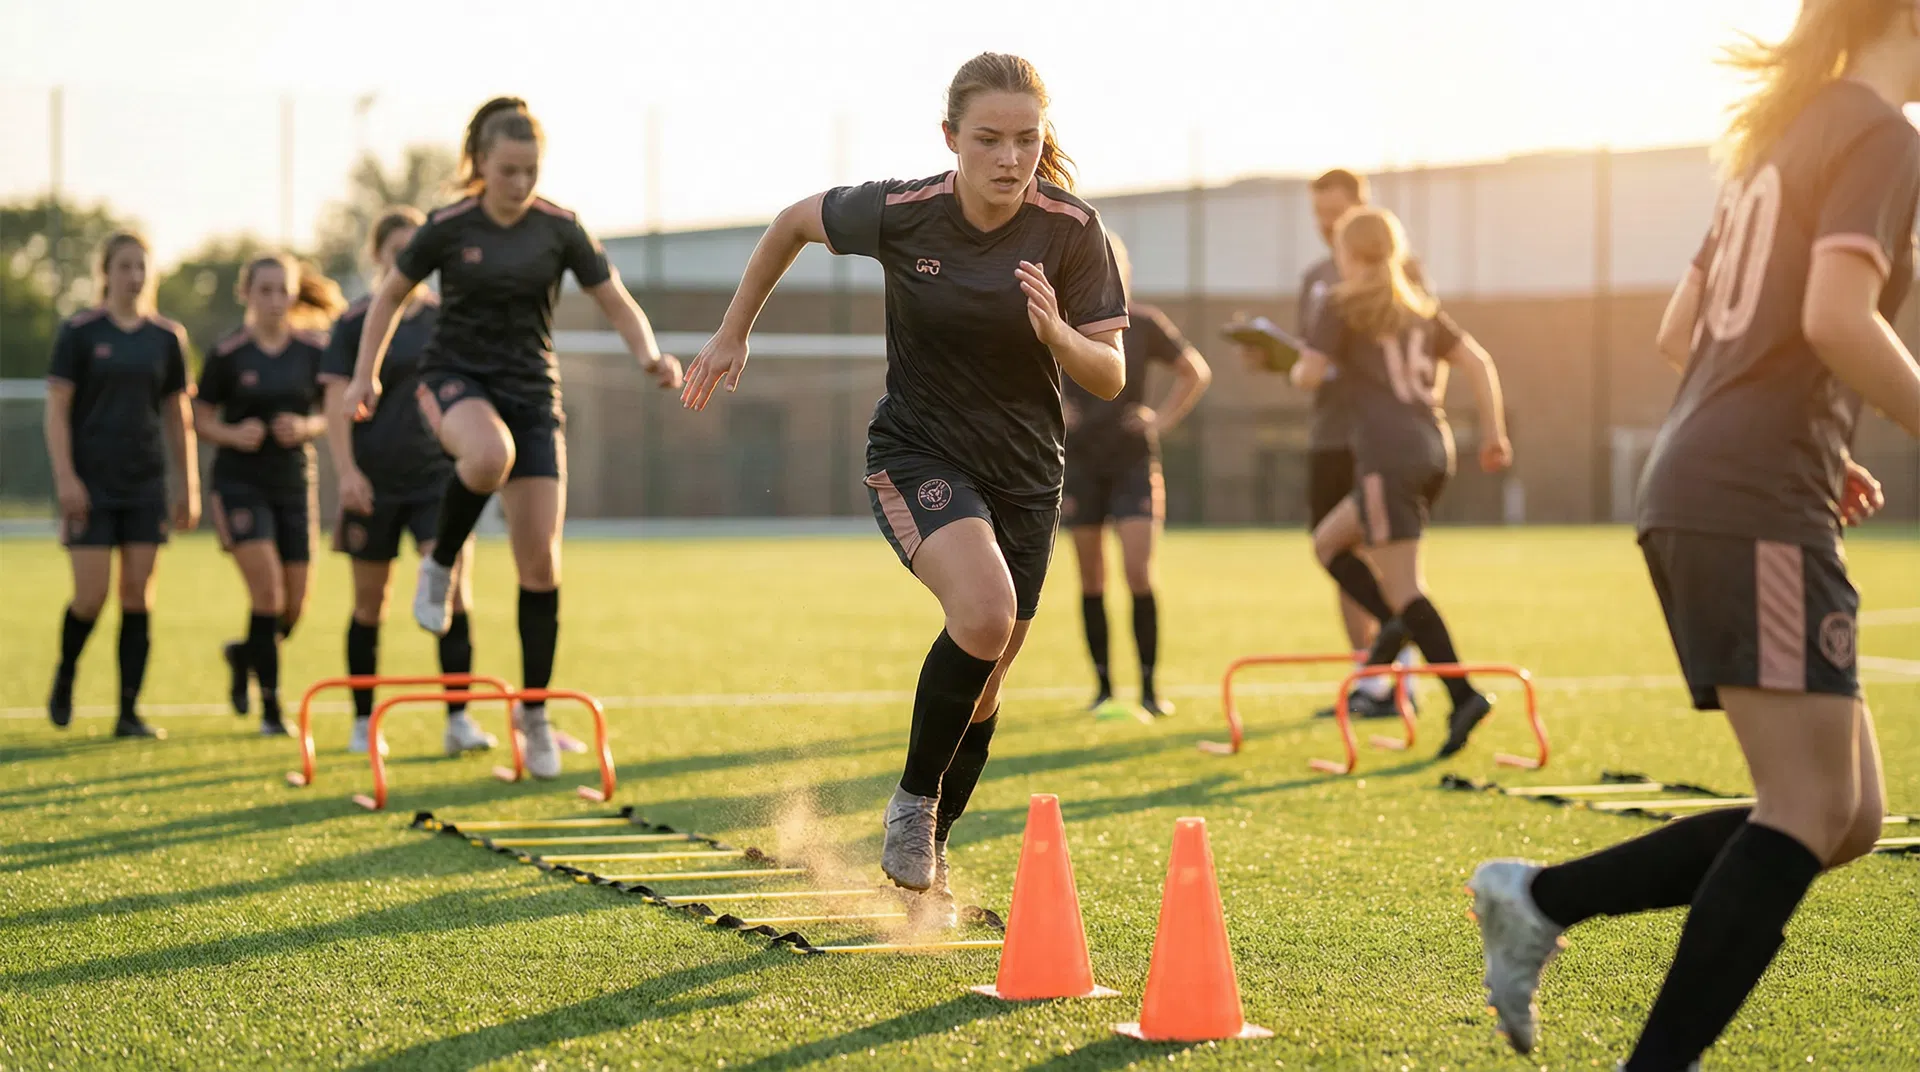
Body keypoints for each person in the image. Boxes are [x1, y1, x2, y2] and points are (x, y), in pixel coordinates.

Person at [1466, 3, 1919, 1068]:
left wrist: (1808, 434)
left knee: (1847, 816)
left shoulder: (1786, 134)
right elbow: (1837, 318)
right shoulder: (1880, 134)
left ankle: (1540, 899)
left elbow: (1685, 331)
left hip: (1719, 477)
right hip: (1751, 495)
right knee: (1808, 805)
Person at [681, 52, 1128, 908]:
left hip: (1028, 477)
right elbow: (791, 223)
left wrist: (1059, 335)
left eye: (1026, 139)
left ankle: (931, 850)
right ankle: (912, 807)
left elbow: (1108, 374)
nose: (1009, 158)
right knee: (985, 614)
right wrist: (734, 331)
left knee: (986, 681)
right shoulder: (903, 210)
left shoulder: (1073, 229)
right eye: (989, 138)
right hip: (920, 453)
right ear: (950, 136)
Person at [343, 97, 682, 778]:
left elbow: (615, 299)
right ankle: (440, 563)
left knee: (541, 566)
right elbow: (389, 297)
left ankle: (533, 714)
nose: (521, 183)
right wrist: (364, 376)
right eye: (508, 171)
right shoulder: (447, 226)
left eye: (531, 170)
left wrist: (650, 355)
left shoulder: (560, 227)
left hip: (532, 394)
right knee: (488, 455)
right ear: (481, 164)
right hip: (454, 379)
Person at [1289, 205, 1512, 757]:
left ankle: (1462, 694)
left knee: (1406, 586)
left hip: (1387, 456)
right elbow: (1479, 362)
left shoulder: (1340, 304)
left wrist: (1291, 365)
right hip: (1433, 448)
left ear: (1346, 253)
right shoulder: (1418, 308)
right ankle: (1396, 627)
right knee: (1328, 543)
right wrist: (1493, 434)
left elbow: (1308, 374)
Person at [322, 207, 493, 757]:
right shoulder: (354, 323)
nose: (408, 259)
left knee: (453, 593)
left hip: (437, 481)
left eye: (414, 248)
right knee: (369, 605)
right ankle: (362, 723)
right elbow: (335, 405)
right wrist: (348, 473)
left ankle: (459, 719)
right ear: (378, 255)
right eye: (396, 250)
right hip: (374, 482)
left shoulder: (446, 318)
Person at [43, 232, 198, 739]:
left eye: (141, 267)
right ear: (105, 272)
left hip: (145, 485)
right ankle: (67, 671)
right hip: (90, 485)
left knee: (137, 594)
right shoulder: (80, 333)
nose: (134, 276)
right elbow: (57, 412)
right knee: (91, 596)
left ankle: (128, 713)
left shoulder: (167, 337)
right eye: (125, 266)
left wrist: (188, 485)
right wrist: (66, 479)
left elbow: (177, 415)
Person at [1062, 233, 1210, 717]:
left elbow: (1195, 371)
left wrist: (1160, 420)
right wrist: (1054, 410)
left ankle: (1149, 689)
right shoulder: (1062, 323)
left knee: (1138, 571)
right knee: (1091, 577)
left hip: (1132, 460)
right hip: (1081, 463)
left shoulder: (1144, 323)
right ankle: (1103, 688)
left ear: (1125, 273)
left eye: (1114, 266)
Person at [197, 255, 344, 735]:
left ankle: (244, 655)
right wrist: (233, 434)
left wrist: (305, 426)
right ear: (247, 294)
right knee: (268, 593)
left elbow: (330, 414)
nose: (275, 300)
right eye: (265, 290)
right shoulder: (228, 354)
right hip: (240, 484)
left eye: (283, 290)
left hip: (294, 483)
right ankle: (272, 710)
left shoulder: (313, 351)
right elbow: (199, 417)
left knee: (293, 608)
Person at [1301, 169, 1420, 719]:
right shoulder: (1315, 279)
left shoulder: (1401, 274)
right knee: (1340, 558)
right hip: (1330, 435)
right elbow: (1311, 358)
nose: (1326, 225)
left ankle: (1402, 677)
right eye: (1319, 215)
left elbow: (1430, 351)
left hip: (1379, 441)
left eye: (1335, 215)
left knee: (1387, 557)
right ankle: (1369, 679)